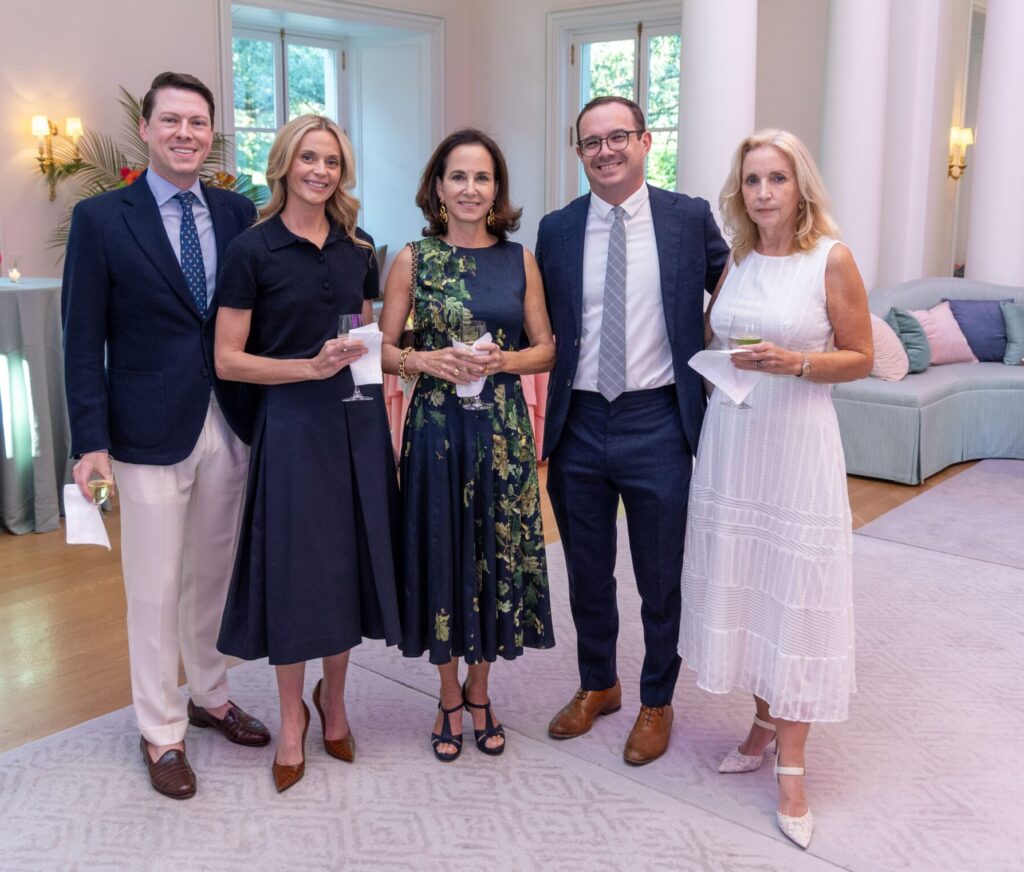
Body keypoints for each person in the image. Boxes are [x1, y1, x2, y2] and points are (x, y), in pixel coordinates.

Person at [62, 72, 269, 801]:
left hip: (231, 422)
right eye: (172, 121)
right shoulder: (101, 219)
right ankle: (161, 729)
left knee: (211, 577)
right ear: (146, 131)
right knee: (151, 590)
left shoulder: (238, 210)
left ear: (213, 135)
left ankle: (211, 696)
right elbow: (81, 339)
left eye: (199, 123)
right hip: (145, 428)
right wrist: (88, 441)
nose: (186, 134)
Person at [679, 129, 872, 849]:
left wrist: (796, 362)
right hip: (734, 441)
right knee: (753, 582)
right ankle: (762, 721)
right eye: (752, 180)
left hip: (796, 442)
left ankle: (793, 764)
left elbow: (861, 357)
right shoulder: (739, 258)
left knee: (795, 588)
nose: (763, 192)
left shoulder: (832, 258)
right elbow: (715, 333)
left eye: (777, 179)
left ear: (801, 187)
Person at [536, 96, 728, 765]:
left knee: (659, 576)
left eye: (619, 137)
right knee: (586, 573)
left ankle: (656, 697)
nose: (606, 150)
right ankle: (599, 684)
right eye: (592, 141)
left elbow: (735, 288)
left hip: (659, 421)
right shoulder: (556, 230)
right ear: (579, 151)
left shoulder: (688, 218)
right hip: (580, 422)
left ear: (645, 141)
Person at [214, 115, 402, 793]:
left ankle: (337, 701)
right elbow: (228, 361)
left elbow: (364, 337)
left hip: (355, 424)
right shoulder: (251, 250)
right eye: (308, 158)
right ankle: (291, 718)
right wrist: (307, 369)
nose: (320, 171)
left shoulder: (360, 248)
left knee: (346, 570)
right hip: (292, 425)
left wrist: (370, 365)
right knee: (297, 578)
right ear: (284, 164)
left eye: (331, 161)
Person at [379, 129, 556, 762]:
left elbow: (546, 347)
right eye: (459, 176)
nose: (471, 189)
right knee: (444, 550)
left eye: (483, 178)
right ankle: (449, 696)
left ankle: (483, 694)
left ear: (496, 190)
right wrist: (426, 360)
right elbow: (383, 348)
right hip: (435, 433)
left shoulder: (520, 259)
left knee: (494, 554)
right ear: (437, 187)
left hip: (502, 430)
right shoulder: (410, 259)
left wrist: (503, 359)